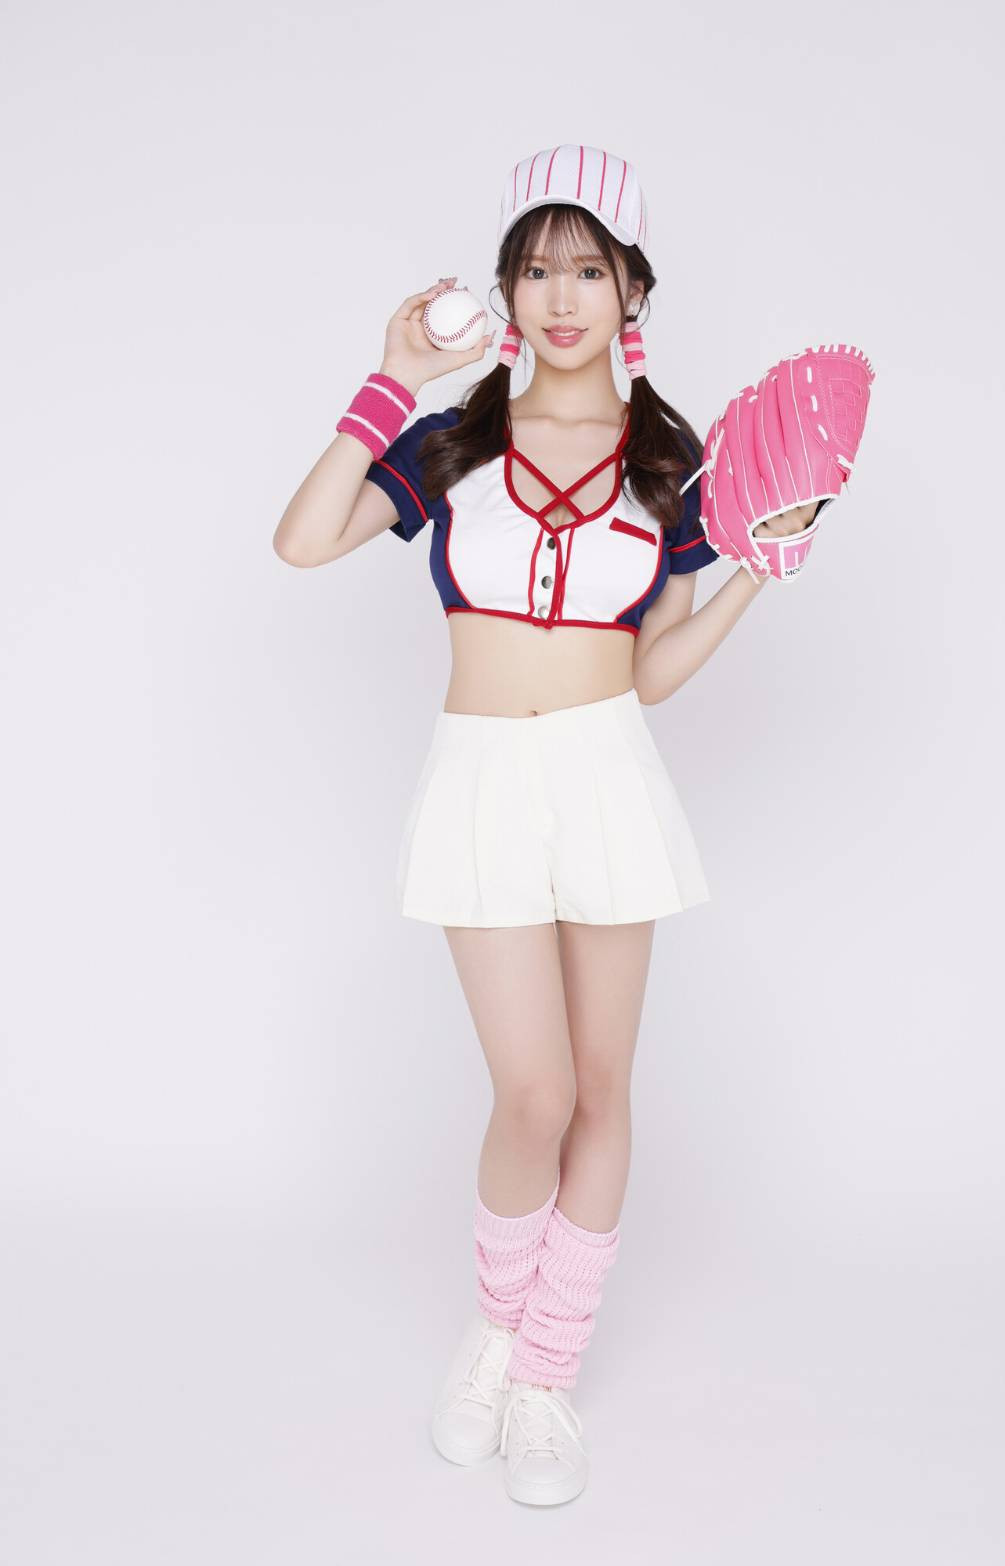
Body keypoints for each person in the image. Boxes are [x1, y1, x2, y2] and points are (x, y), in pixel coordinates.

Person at [273, 145, 816, 1507]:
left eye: (587, 268)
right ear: (506, 290)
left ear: (633, 289)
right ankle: (495, 1332)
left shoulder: (669, 465)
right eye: (534, 269)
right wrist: (391, 376)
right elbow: (303, 538)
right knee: (533, 1094)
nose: (559, 296)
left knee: (602, 1088)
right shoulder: (454, 443)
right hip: (479, 774)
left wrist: (758, 569)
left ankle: (545, 1375)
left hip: (607, 768)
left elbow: (653, 671)